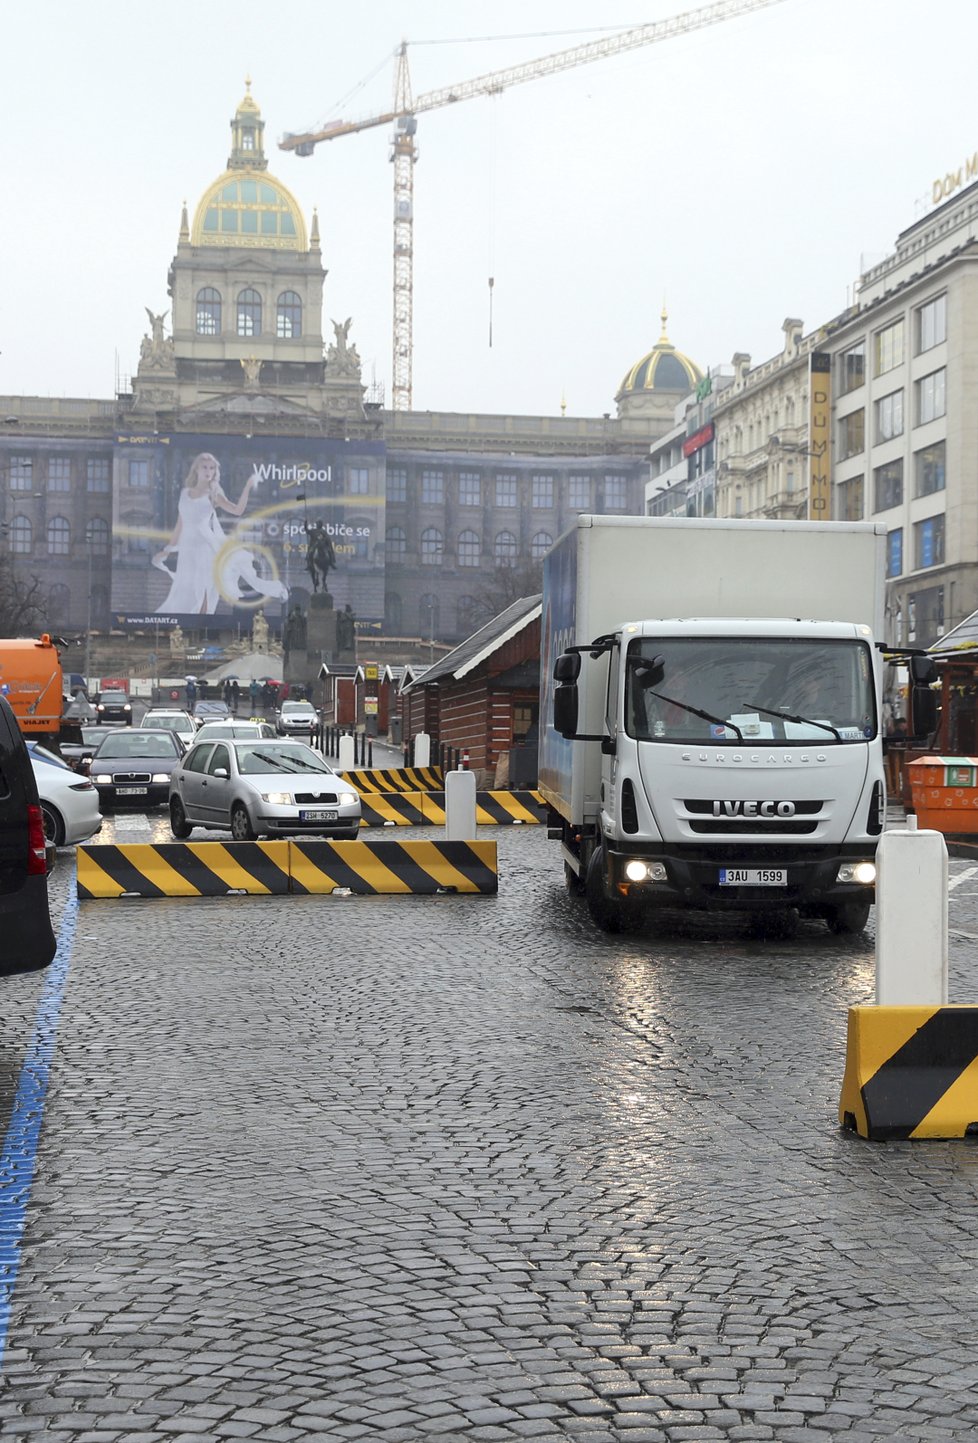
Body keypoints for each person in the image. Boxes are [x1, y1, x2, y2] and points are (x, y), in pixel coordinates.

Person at [153, 452, 287, 614]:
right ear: (196, 469)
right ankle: (192, 626)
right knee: (185, 588)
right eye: (205, 467)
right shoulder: (184, 494)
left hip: (205, 546)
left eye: (212, 468)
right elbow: (180, 525)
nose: (208, 471)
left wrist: (247, 487)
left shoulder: (213, 495)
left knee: (204, 587)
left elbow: (237, 510)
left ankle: (201, 624)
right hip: (188, 549)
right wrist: (167, 551)